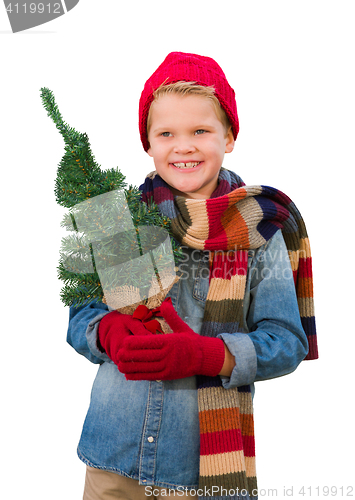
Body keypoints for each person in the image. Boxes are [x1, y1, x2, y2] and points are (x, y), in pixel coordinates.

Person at [67, 52, 317, 500]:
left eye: (200, 131)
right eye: (166, 133)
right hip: (112, 458)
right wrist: (106, 330)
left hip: (202, 473)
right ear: (147, 143)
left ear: (230, 136)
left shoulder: (258, 229)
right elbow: (80, 316)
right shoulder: (119, 218)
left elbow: (286, 341)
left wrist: (205, 356)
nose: (183, 146)